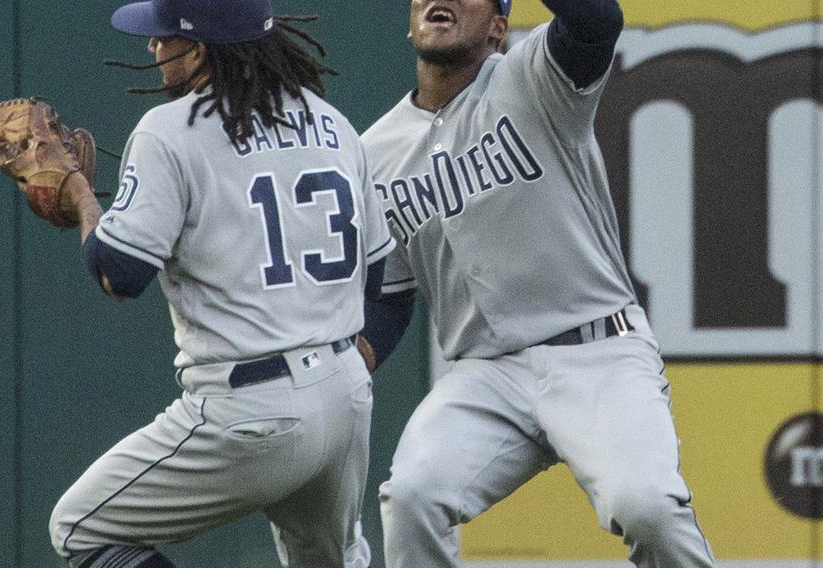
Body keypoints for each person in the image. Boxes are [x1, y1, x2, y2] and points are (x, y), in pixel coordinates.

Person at [358, 0, 715, 567]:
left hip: (597, 350)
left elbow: (597, 22)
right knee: (412, 496)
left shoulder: (536, 78)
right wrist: (346, 363)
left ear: (499, 29)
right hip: (485, 376)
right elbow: (391, 297)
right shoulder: (372, 154)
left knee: (647, 507)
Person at [47, 0, 394, 566]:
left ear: (201, 48)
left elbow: (120, 273)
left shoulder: (168, 129)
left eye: (164, 38)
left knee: (81, 527)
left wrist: (83, 198)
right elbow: (373, 272)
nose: (154, 48)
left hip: (251, 409)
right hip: (346, 393)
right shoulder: (331, 123)